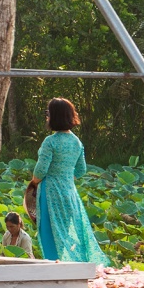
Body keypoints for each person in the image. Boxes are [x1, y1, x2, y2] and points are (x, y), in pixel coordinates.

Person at [30, 98, 108, 265]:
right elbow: (81, 170)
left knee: (49, 230)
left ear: (54, 117)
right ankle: (68, 264)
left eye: (48, 114)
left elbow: (40, 171)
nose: (47, 117)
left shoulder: (50, 142)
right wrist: (66, 177)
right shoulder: (76, 142)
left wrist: (33, 183)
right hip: (69, 192)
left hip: (50, 191)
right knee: (64, 231)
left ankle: (53, 265)